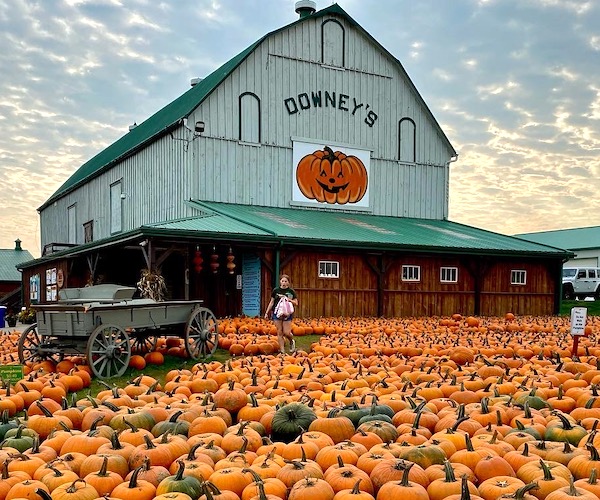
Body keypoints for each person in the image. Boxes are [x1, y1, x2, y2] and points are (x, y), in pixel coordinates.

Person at [264, 274, 299, 354]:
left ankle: (291, 340)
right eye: (282, 281)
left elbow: (296, 303)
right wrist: (267, 312)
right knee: (279, 332)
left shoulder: (291, 291)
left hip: (287, 314)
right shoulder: (276, 291)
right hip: (277, 313)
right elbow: (272, 302)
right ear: (280, 282)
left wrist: (288, 300)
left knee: (286, 332)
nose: (284, 283)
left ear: (288, 283)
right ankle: (282, 351)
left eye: (285, 281)